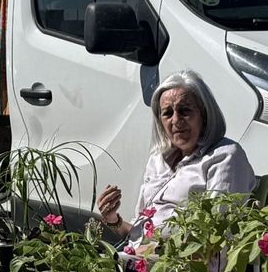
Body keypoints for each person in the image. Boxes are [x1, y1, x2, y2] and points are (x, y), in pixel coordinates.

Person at [98, 70, 254, 244]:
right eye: (167, 113)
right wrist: (113, 219)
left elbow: (216, 236)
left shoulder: (225, 157)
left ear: (204, 113)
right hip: (140, 259)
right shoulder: (158, 160)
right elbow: (138, 234)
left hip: (183, 266)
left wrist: (152, 254)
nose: (175, 120)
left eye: (184, 110)